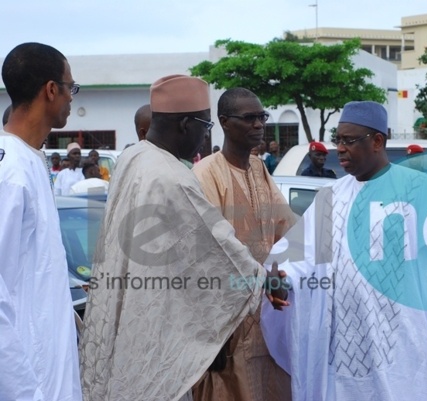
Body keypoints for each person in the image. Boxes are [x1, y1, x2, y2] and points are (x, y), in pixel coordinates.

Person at [260, 101, 427, 401]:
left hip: (401, 341)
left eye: (349, 140)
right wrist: (283, 276)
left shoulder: (418, 189)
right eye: (338, 140)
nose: (340, 149)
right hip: (340, 345)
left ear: (376, 141)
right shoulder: (332, 195)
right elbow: (302, 253)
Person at [79, 75, 287, 401]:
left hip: (147, 304)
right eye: (205, 127)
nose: (206, 137)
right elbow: (215, 246)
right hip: (165, 318)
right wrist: (264, 281)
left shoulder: (136, 158)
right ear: (187, 124)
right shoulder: (172, 177)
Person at [192, 87, 296, 401]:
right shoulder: (205, 174)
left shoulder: (259, 167)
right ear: (224, 122)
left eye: (262, 117)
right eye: (249, 118)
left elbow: (287, 232)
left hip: (267, 316)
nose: (259, 124)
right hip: (225, 324)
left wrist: (283, 276)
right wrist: (212, 336)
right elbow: (205, 257)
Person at [0, 42, 82, 401]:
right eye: (70, 88)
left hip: (49, 373)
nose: (71, 100)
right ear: (51, 90)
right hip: (29, 383)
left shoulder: (31, 160)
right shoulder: (10, 171)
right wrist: (23, 390)